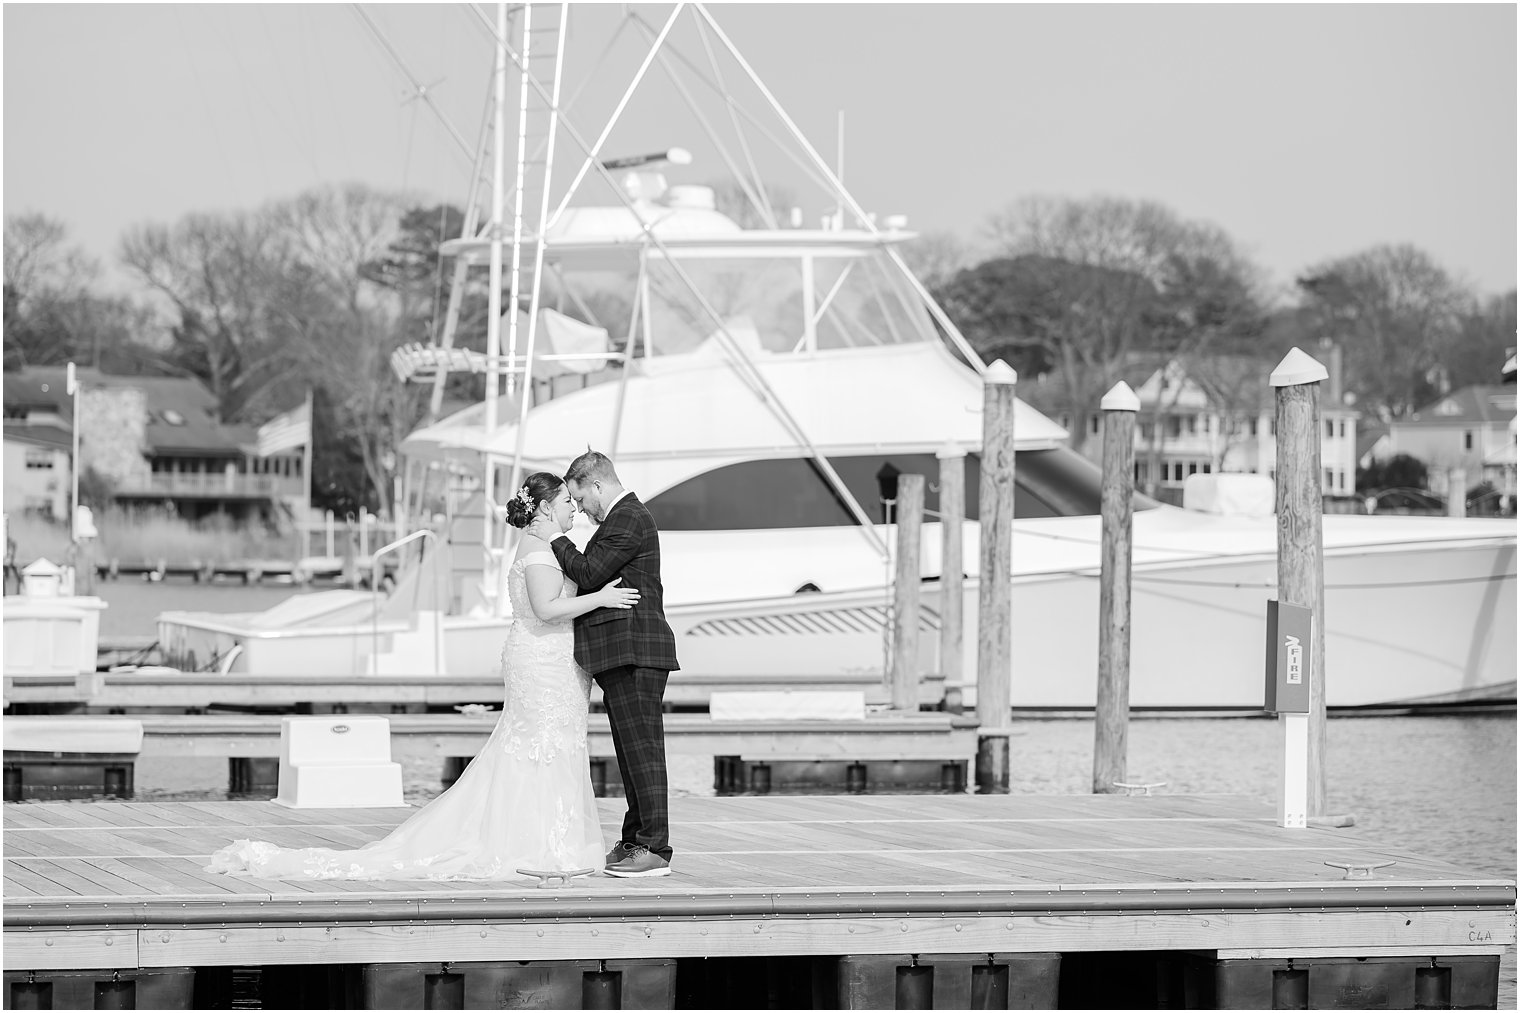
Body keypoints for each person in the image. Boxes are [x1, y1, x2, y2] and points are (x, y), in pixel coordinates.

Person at [204, 472, 638, 881]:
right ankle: (538, 844)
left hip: (547, 659)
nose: (573, 509)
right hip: (543, 661)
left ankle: (545, 840)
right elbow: (546, 609)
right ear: (543, 508)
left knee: (540, 747)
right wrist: (600, 597)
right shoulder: (541, 551)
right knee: (539, 747)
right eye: (566, 502)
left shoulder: (534, 547)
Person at [527, 450, 679, 878]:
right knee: (631, 754)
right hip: (623, 652)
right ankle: (635, 840)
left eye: (580, 498)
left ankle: (653, 848)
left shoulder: (629, 516)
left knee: (643, 752)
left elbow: (590, 572)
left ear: (596, 484)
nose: (581, 509)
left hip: (636, 650)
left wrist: (554, 537)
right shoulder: (622, 518)